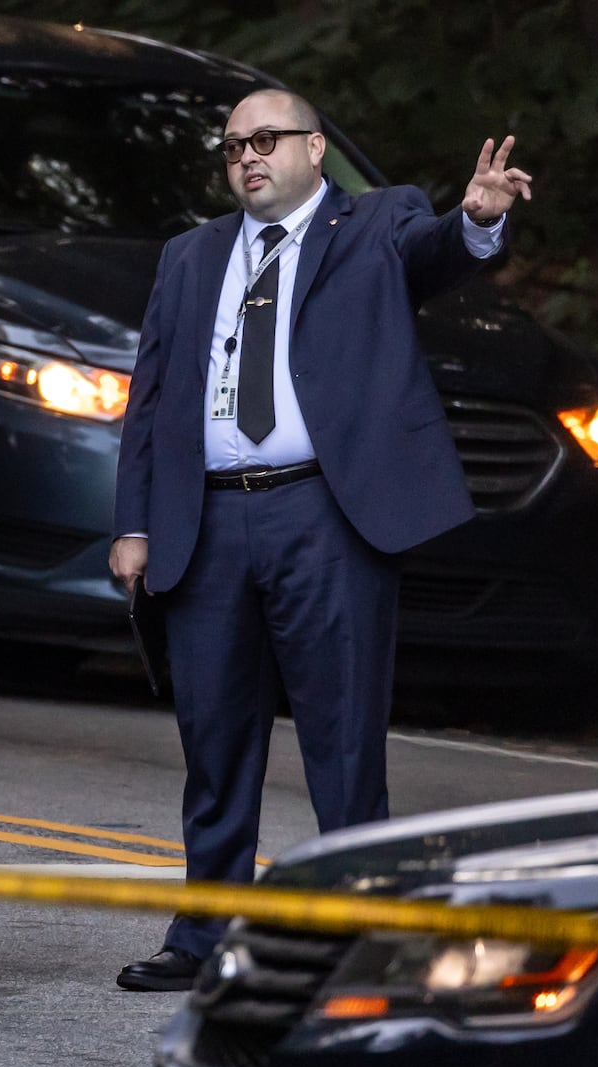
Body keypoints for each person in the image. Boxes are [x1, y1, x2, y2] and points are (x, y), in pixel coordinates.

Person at [109, 89, 532, 991]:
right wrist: (135, 523)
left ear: (314, 148)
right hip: (210, 519)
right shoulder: (190, 258)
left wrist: (477, 220)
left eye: (266, 140)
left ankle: (354, 942)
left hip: (324, 515)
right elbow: (149, 398)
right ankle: (203, 936)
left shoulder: (377, 223)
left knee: (342, 745)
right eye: (232, 147)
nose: (248, 157)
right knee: (215, 744)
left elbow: (434, 252)